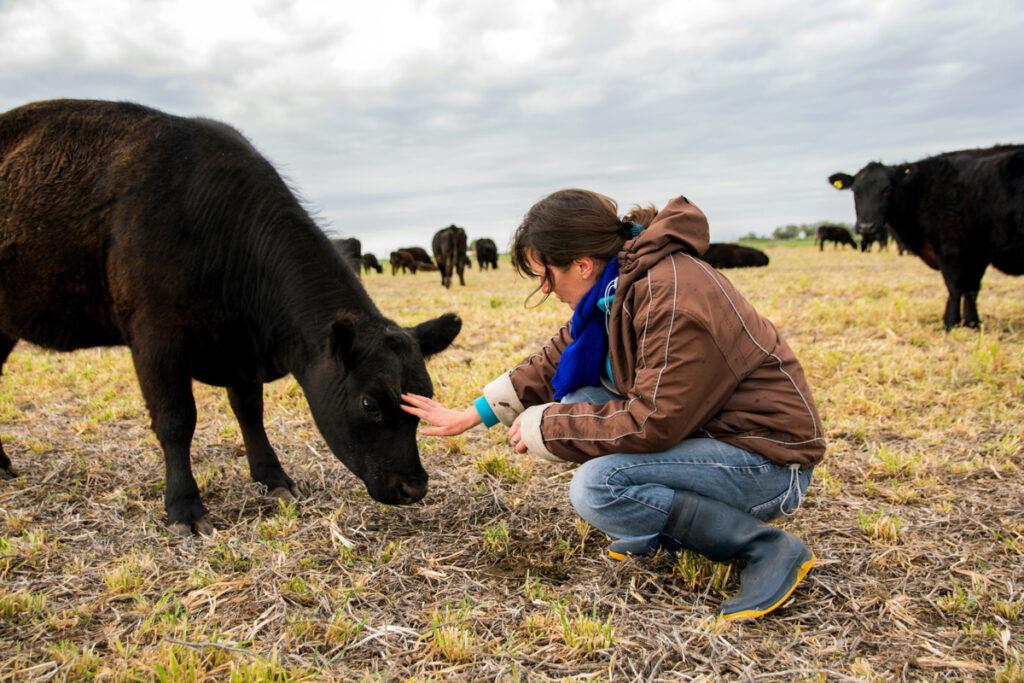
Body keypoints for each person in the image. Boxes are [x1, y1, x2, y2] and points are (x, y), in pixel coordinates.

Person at [401, 189, 825, 620]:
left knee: (598, 486)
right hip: (711, 432)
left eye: (545, 274)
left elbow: (653, 422)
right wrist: (471, 415)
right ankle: (669, 528)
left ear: (582, 264)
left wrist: (548, 427)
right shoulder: (619, 283)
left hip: (768, 461)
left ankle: (766, 548)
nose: (545, 288)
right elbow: (555, 359)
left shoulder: (670, 295)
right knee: (579, 396)